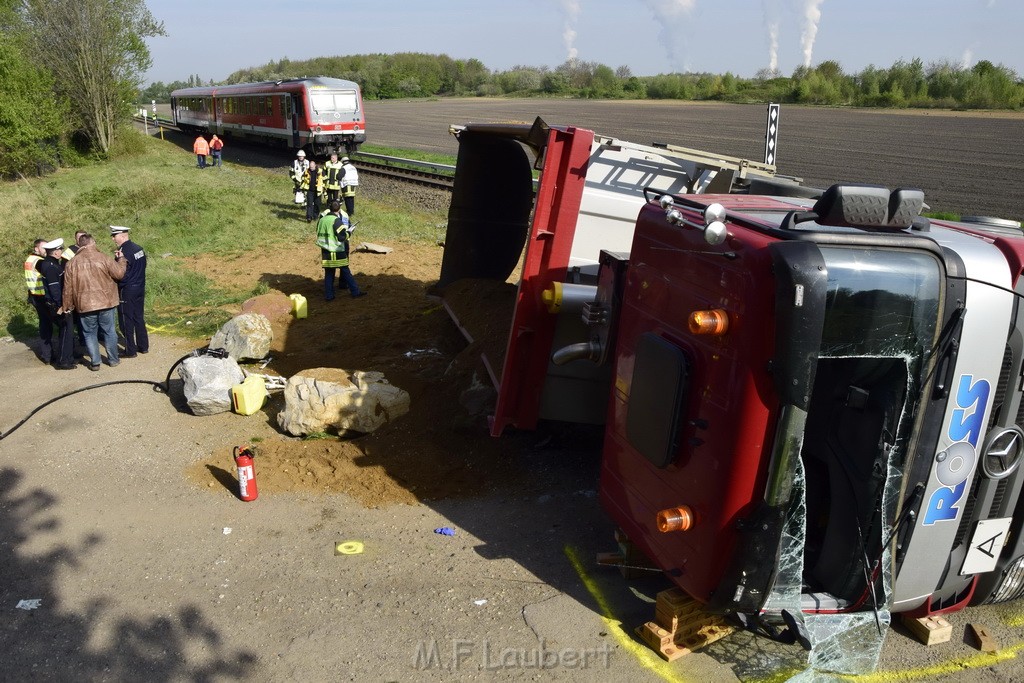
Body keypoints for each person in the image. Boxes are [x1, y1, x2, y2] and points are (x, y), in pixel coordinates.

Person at [62, 233, 126, 371]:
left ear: (79, 245)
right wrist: (121, 260)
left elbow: (67, 288)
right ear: (92, 243)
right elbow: (119, 274)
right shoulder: (103, 258)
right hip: (106, 302)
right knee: (109, 331)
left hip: (84, 304)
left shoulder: (71, 263)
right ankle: (113, 359)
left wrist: (67, 306)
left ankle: (95, 362)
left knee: (89, 333)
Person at [36, 238, 76, 370]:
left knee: (66, 330)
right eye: (59, 249)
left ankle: (67, 358)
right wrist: (62, 305)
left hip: (53, 303)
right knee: (66, 330)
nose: (61, 252)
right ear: (55, 252)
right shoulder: (51, 267)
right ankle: (64, 361)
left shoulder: (48, 264)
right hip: (57, 304)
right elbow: (55, 289)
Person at [316, 201, 366, 301]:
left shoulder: (322, 219)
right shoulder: (336, 220)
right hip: (336, 250)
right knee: (346, 272)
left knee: (329, 274)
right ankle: (355, 292)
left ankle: (329, 296)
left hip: (325, 252)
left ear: (329, 208)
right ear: (339, 210)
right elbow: (342, 237)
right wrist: (349, 233)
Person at [111, 225, 148, 357]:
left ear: (122, 235)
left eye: (114, 236)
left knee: (126, 319)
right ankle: (143, 346)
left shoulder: (123, 252)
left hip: (127, 289)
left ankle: (130, 350)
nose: (113, 239)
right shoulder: (138, 248)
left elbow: (121, 274)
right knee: (138, 317)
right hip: (139, 287)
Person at [24, 238, 52, 363]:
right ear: (36, 248)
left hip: (35, 296)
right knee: (56, 324)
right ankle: (50, 355)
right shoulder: (39, 261)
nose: (46, 250)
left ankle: (47, 355)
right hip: (42, 297)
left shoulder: (29, 259)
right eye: (43, 248)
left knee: (44, 325)